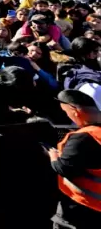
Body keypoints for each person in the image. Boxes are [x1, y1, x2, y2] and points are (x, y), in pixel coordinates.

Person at [49, 90, 101, 227]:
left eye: (66, 113)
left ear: (74, 110)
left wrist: (53, 157)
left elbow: (64, 168)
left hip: (83, 207)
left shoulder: (83, 138)